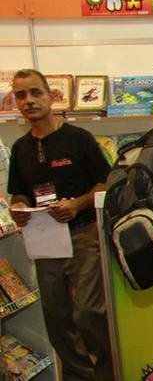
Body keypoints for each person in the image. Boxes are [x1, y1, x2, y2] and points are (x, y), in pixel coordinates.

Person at [8, 69, 114, 380]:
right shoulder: (20, 149)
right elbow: (18, 192)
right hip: (44, 239)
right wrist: (17, 207)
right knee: (56, 316)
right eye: (21, 95)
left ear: (50, 97)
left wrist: (77, 203)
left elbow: (106, 183)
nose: (28, 101)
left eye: (35, 93)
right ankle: (80, 376)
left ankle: (107, 374)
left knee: (90, 312)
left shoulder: (78, 139)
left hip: (84, 234)